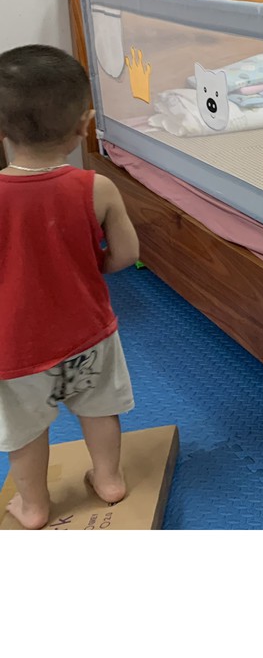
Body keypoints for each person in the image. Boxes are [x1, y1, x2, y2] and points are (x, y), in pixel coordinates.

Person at [0, 44, 139, 529]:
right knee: (98, 409)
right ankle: (110, 480)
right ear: (84, 124)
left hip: (16, 347)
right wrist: (89, 265)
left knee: (25, 430)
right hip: (88, 333)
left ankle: (34, 506)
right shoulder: (97, 188)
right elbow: (126, 255)